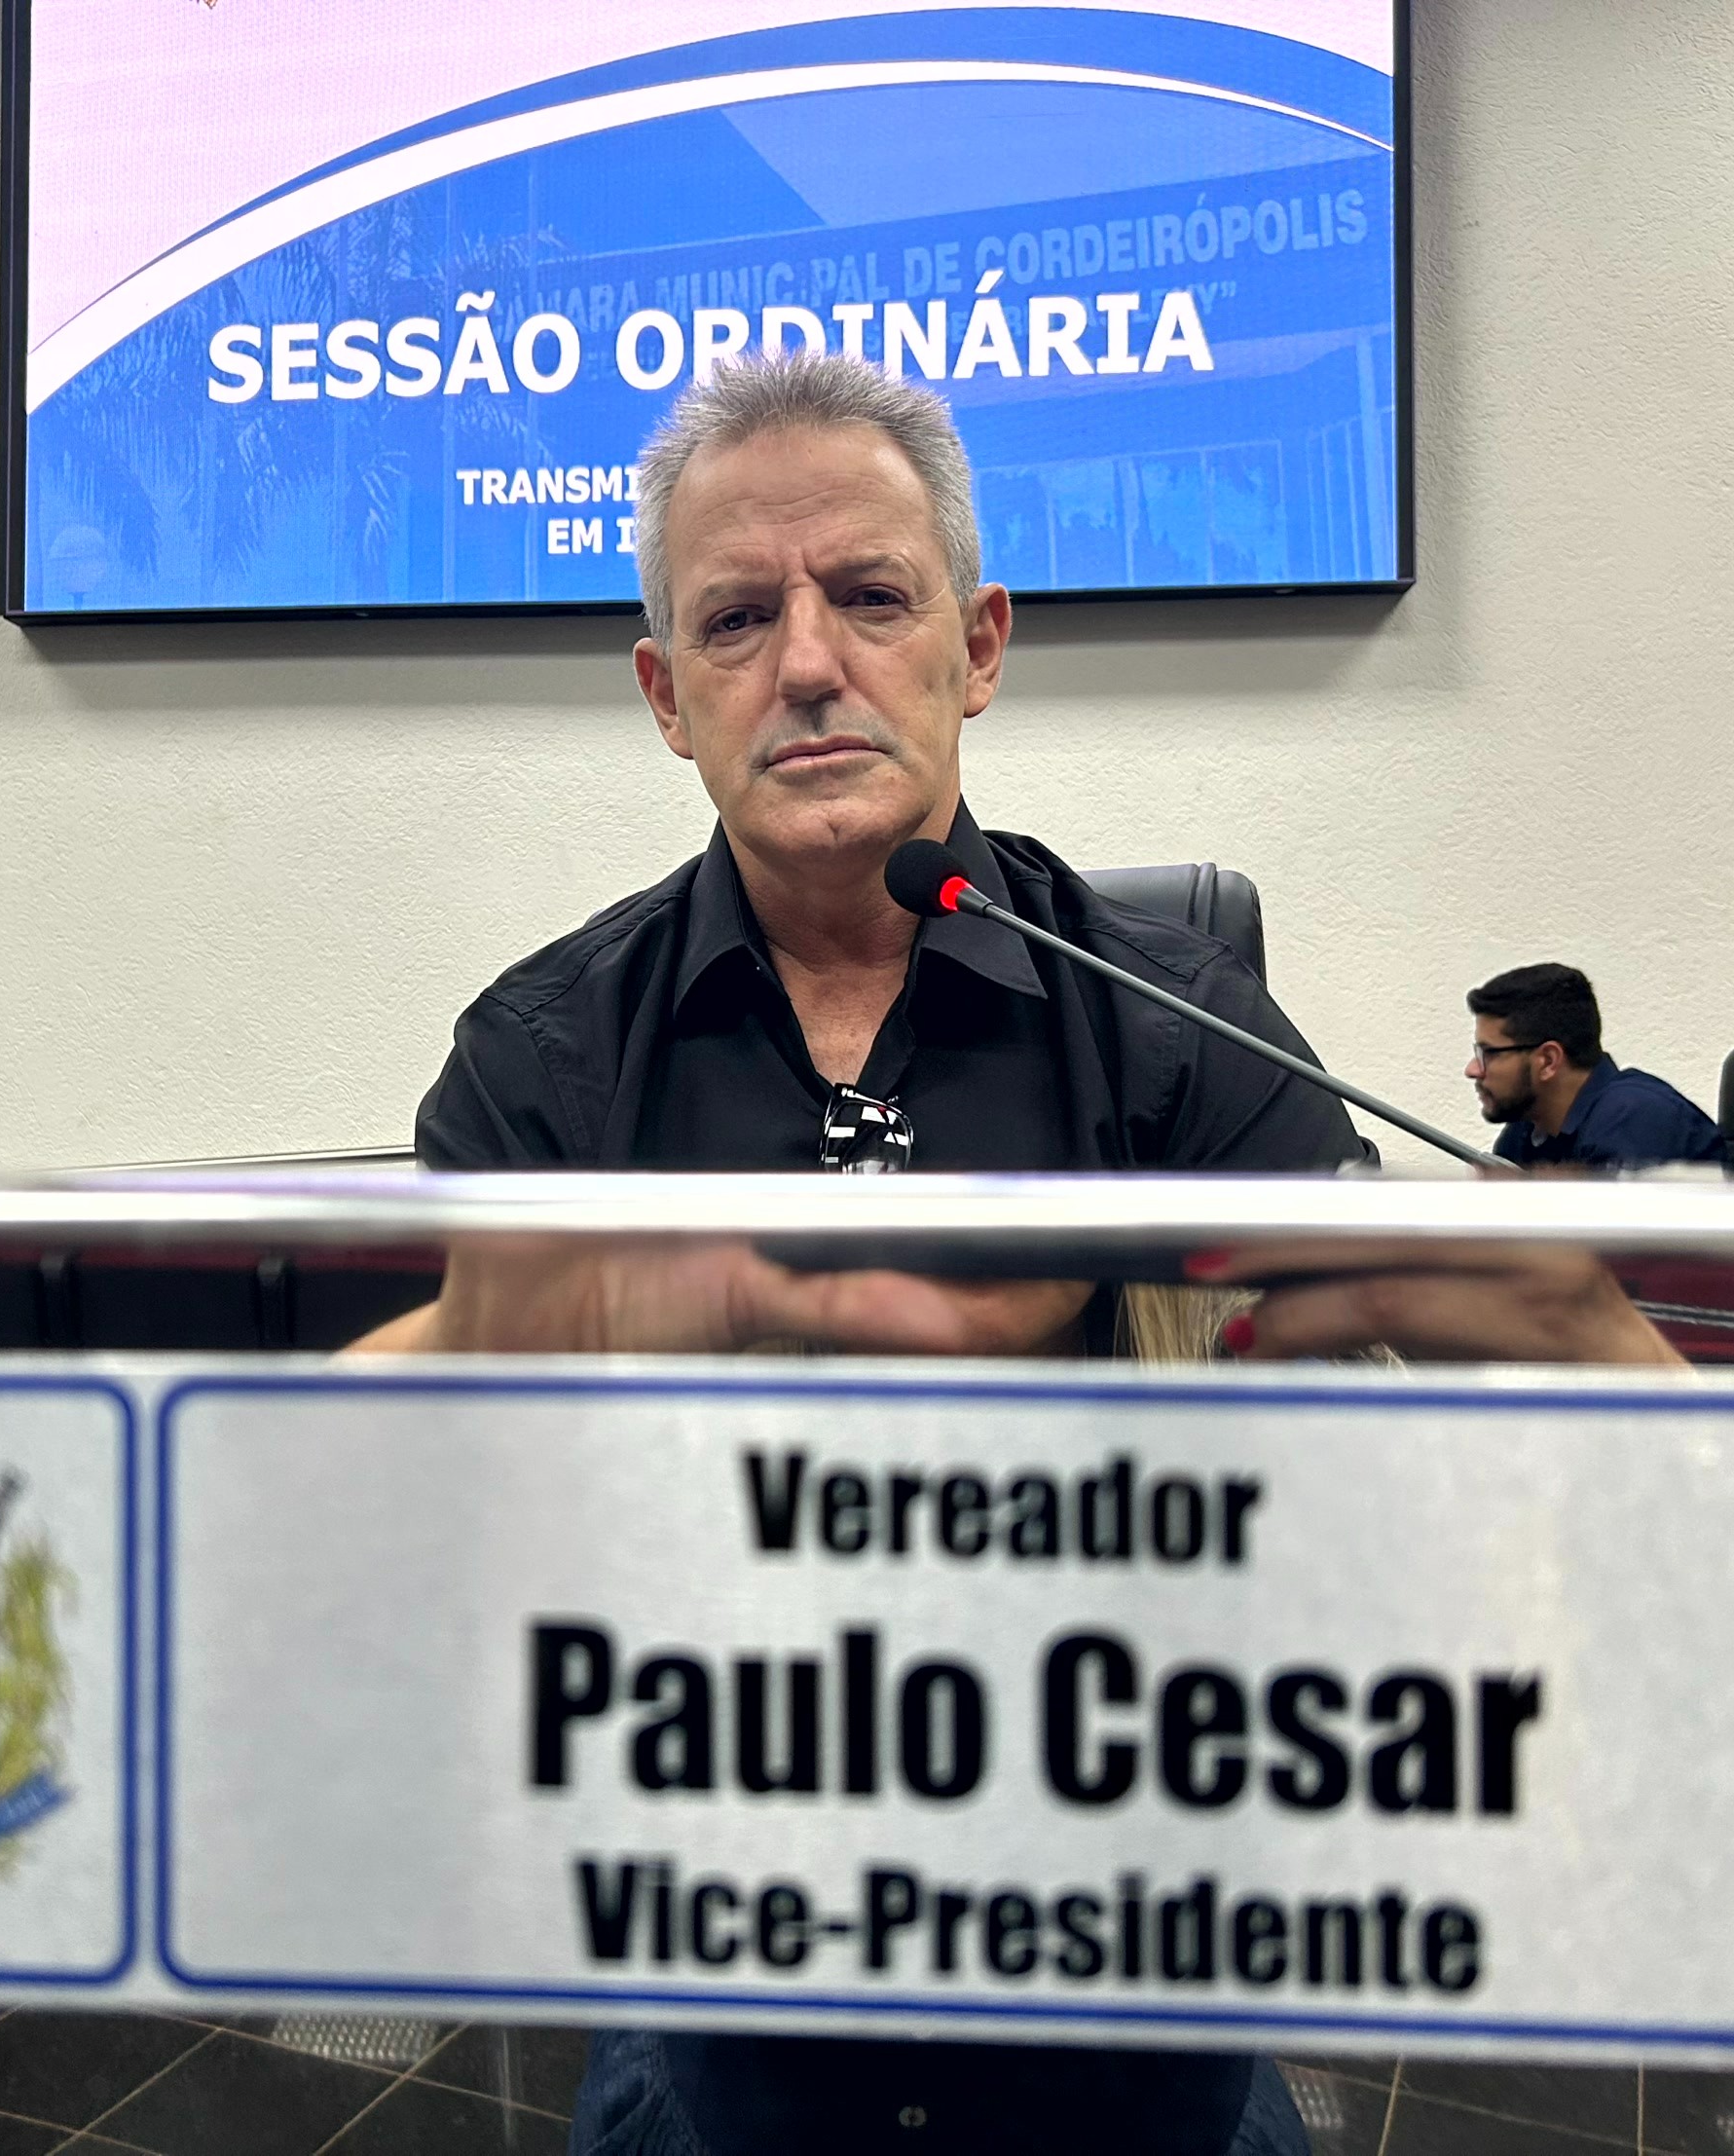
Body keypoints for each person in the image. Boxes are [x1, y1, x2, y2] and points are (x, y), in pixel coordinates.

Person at [355, 350, 1346, 2151]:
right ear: (667, 694)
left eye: (871, 597)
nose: (806, 662)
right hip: (717, 1983)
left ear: (978, 645)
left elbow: (1382, 1496)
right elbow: (363, 1526)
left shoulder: (1179, 1028)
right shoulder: (545, 1054)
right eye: (737, 617)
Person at [1467, 963, 1725, 1171]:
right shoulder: (1525, 1133)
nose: (1472, 1070)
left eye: (1489, 1053)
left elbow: (1617, 1222)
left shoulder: (1634, 1118)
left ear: (1548, 1060)